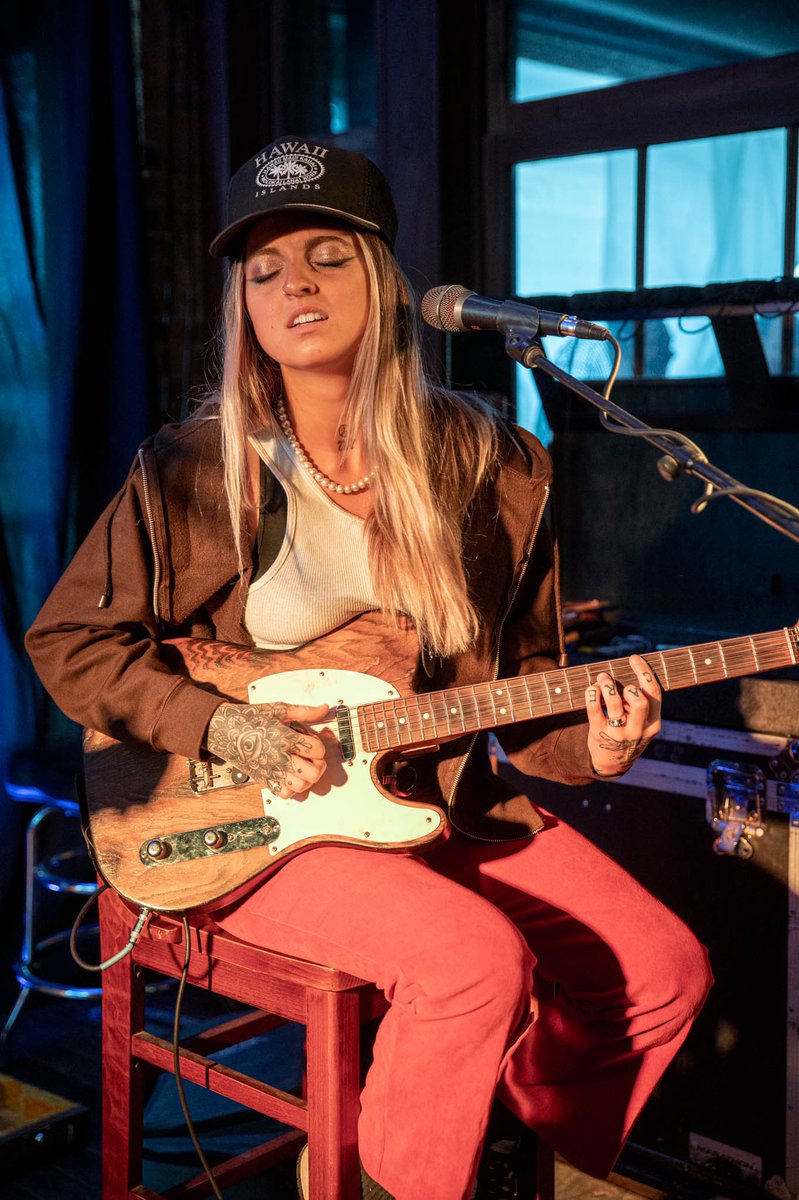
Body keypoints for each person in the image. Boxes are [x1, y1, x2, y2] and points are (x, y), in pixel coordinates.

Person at [25, 135, 711, 1200]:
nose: (294, 281)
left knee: (662, 972)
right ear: (245, 310)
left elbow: (525, 694)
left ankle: (490, 1134)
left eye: (326, 255)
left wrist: (600, 741)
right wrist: (227, 727)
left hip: (433, 796)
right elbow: (70, 643)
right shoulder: (194, 471)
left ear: (385, 280)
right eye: (263, 270)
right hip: (249, 818)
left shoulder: (494, 464)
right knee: (470, 963)